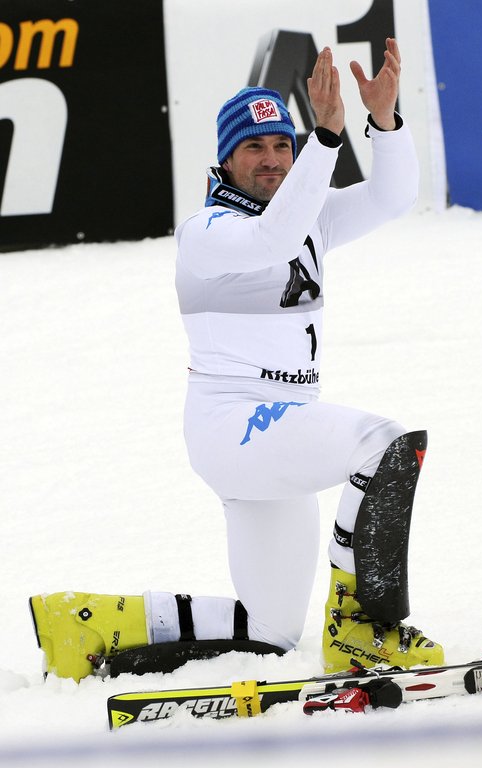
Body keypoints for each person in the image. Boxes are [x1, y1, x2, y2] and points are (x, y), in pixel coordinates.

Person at [30, 40, 443, 682]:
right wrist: (324, 139)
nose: (274, 159)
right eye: (255, 148)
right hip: (236, 427)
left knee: (271, 629)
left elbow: (393, 197)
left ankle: (89, 623)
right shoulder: (207, 232)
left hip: (276, 434)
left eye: (282, 144)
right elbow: (272, 238)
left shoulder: (309, 216)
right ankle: (364, 627)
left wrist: (384, 123)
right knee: (383, 445)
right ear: (225, 159)